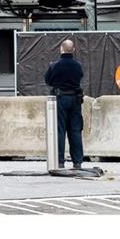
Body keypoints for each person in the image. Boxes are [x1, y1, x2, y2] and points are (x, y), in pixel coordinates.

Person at [44, 39, 84, 170]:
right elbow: (80, 77)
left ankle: (60, 161)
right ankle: (77, 162)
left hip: (60, 99)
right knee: (75, 131)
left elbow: (48, 80)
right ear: (73, 50)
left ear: (61, 49)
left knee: (60, 130)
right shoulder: (78, 66)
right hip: (75, 100)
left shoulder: (54, 66)